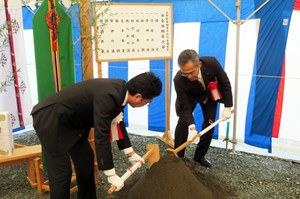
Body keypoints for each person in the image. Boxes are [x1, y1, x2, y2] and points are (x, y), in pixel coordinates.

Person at [31, 72, 162, 199]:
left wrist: (131, 154)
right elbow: (102, 135)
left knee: (86, 159)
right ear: (138, 96)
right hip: (50, 119)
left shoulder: (121, 91)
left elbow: (117, 122)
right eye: (147, 102)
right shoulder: (109, 96)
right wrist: (111, 174)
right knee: (62, 173)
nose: (145, 105)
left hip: (73, 123)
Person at [173, 49, 233, 167]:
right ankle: (178, 157)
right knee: (183, 122)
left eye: (191, 72)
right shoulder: (179, 80)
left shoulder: (212, 64)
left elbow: (225, 83)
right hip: (190, 97)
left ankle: (199, 156)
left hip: (209, 95)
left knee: (210, 123)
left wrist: (228, 106)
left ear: (199, 64)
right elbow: (185, 106)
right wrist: (192, 127)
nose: (189, 76)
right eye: (185, 73)